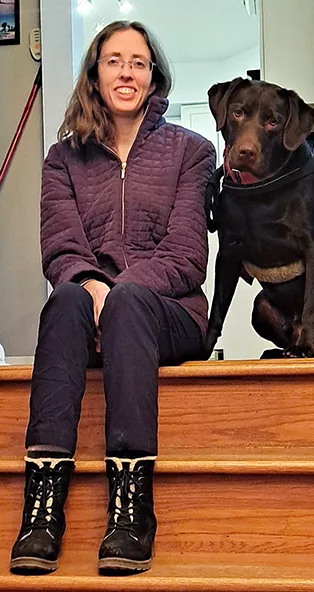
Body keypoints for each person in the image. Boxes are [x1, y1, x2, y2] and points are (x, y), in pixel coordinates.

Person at [10, 20, 215, 575]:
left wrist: (118, 291)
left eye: (139, 62)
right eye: (114, 60)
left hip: (169, 316)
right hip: (88, 317)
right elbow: (60, 249)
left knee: (122, 303)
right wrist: (94, 287)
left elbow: (186, 256)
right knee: (67, 299)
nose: (126, 71)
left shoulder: (192, 152)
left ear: (154, 77)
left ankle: (131, 508)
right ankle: (42, 505)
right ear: (95, 73)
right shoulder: (62, 159)